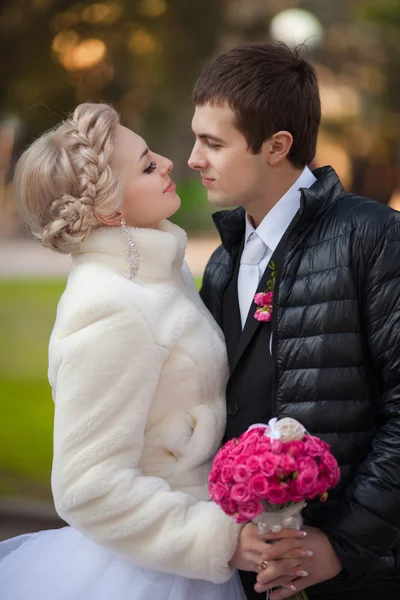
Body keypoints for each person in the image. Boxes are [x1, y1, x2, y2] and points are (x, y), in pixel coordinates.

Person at [0, 103, 308, 600]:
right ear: (108, 210)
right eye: (146, 165)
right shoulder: (108, 309)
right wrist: (221, 540)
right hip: (153, 572)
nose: (169, 162)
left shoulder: (159, 271)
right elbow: (88, 485)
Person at [189, 42, 400, 600]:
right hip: (246, 573)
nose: (193, 158)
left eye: (213, 142)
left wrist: (343, 546)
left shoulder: (374, 236)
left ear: (277, 146)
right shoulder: (221, 260)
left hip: (359, 578)